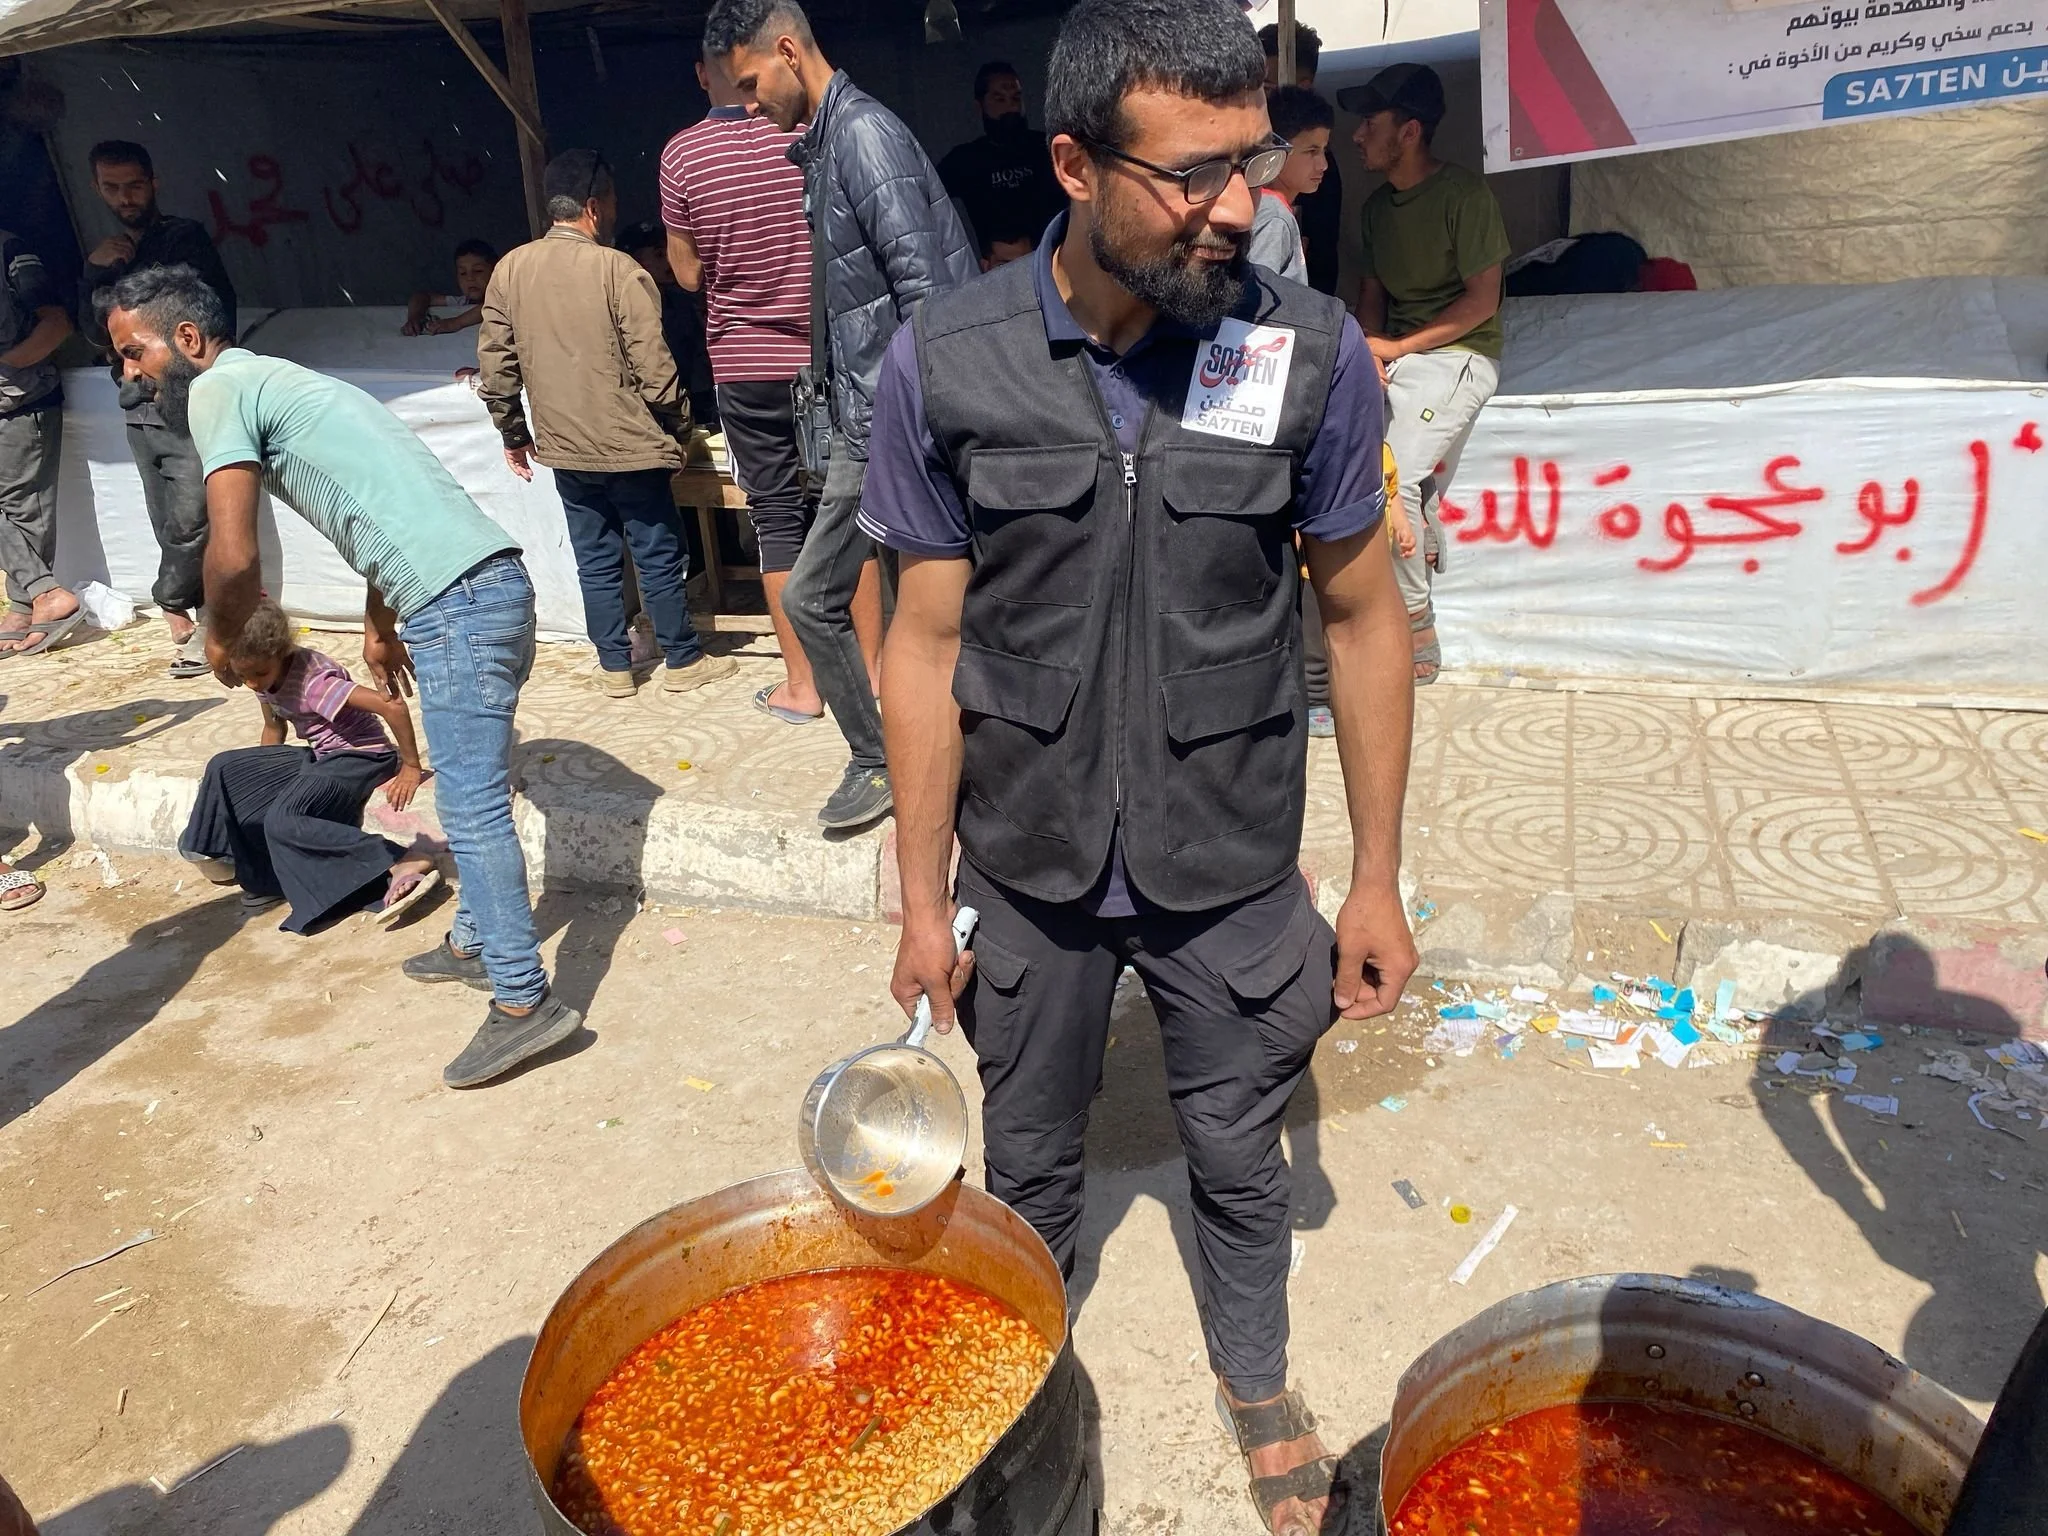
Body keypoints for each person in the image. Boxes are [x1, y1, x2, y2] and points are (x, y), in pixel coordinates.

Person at [867, 1, 1418, 1530]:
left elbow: (1364, 620)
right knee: (1029, 1170)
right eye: (1192, 175)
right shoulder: (948, 363)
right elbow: (919, 645)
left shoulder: (1305, 357)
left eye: (1251, 164)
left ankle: (1255, 1373)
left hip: (1231, 858)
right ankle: (1026, 1385)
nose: (1238, 209)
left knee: (1241, 1157)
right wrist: (924, 899)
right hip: (1030, 868)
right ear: (1072, 164)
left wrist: (1373, 878)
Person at [104, 263, 581, 1090]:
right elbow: (383, 498)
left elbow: (234, 549)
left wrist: (221, 637)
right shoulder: (289, 384)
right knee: (481, 785)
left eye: (133, 351)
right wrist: (377, 616)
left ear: (186, 339)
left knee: (468, 804)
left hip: (457, 602)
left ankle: (521, 1002)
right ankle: (477, 941)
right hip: (485, 583)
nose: (130, 374)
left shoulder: (220, 389)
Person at [705, 0, 977, 830]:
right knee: (907, 608)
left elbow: (923, 290)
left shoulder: (861, 136)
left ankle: (880, 758)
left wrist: (912, 435)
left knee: (814, 596)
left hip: (892, 418)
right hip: (874, 414)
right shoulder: (826, 143)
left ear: (789, 50)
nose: (749, 104)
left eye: (751, 83)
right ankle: (925, 756)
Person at [477, 150, 736, 701]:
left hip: (566, 449)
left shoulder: (509, 270)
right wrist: (680, 427)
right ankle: (683, 660)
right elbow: (655, 366)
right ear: (594, 207)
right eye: (614, 201)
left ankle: (615, 666)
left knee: (595, 559)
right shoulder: (619, 270)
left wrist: (513, 434)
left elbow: (496, 367)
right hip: (631, 445)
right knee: (658, 553)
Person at [661, 50, 866, 728]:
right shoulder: (808, 133)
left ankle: (804, 688)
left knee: (777, 517)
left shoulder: (682, 155)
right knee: (856, 510)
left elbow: (687, 275)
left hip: (745, 364)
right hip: (827, 352)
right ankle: (873, 680)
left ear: (699, 74)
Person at [1340, 62, 1510, 685]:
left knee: (1395, 483)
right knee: (1367, 467)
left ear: (1409, 131)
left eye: (1369, 122)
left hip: (1461, 355)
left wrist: (1399, 347)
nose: (1355, 135)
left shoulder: (1465, 196)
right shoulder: (1376, 209)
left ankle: (1415, 622)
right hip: (1401, 357)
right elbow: (1371, 298)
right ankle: (1425, 527)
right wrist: (1368, 354)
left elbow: (1483, 301)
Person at [180, 597, 441, 931]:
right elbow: (274, 729)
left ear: (280, 653)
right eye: (244, 676)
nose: (253, 683)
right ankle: (244, 867)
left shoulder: (314, 684)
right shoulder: (262, 676)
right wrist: (262, 775)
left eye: (258, 674)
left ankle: (400, 860)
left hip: (361, 756)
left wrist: (410, 766)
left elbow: (391, 707)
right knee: (225, 767)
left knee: (284, 819)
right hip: (322, 755)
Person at [79, 139, 237, 678]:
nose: (125, 197)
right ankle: (188, 613)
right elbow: (90, 329)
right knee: (164, 515)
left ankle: (180, 603)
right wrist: (94, 271)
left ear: (154, 183)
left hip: (186, 395)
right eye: (113, 188)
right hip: (134, 399)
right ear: (98, 189)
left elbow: (205, 310)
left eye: (135, 185)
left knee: (195, 513)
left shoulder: (182, 237)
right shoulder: (105, 251)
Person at [0, 228, 78, 657]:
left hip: (21, 399)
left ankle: (38, 597)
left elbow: (56, 323)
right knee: (17, 509)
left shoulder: (13, 252)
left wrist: (7, 365)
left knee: (23, 508)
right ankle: (32, 599)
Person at [937, 61, 1065, 253]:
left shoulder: (1048, 147)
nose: (1011, 108)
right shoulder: (966, 161)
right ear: (980, 106)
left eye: (1016, 98)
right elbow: (922, 202)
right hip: (1000, 271)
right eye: (999, 99)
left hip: (1056, 260)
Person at [1258, 23, 1341, 297]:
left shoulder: (1314, 187)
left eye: (1267, 89)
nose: (1260, 102)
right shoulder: (1273, 216)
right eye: (1311, 151)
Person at [617, 220, 718, 432]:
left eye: (667, 253)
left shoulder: (683, 302)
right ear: (636, 261)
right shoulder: (623, 308)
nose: (668, 263)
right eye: (658, 255)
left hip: (693, 408)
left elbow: (699, 358)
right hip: (650, 418)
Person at [1248, 85, 1332, 285]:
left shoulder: (1266, 207)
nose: (1324, 165)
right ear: (1275, 150)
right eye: (1311, 151)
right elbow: (1258, 299)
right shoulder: (1274, 217)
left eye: (1324, 151)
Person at [400, 238, 498, 337]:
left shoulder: (504, 301)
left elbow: (493, 305)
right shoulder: (460, 302)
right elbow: (421, 297)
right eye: (463, 273)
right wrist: (415, 317)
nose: (470, 278)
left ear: (495, 272)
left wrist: (455, 323)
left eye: (478, 271)